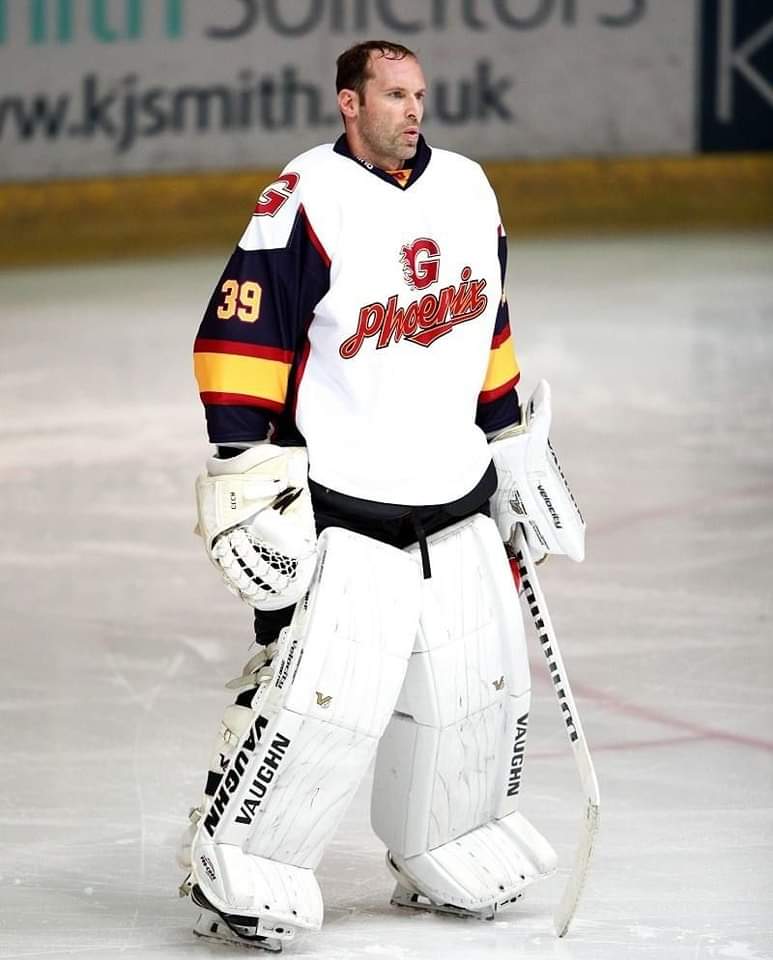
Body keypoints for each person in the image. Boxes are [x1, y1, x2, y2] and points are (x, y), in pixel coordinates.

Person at [182, 39, 585, 952]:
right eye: (393, 94)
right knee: (325, 702)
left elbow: (489, 323)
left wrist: (510, 443)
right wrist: (243, 467)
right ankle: (247, 856)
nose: (412, 109)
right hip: (345, 499)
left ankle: (449, 837)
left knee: (476, 688)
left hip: (455, 490)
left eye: (419, 94)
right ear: (347, 104)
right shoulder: (306, 195)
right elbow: (237, 336)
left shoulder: (470, 188)